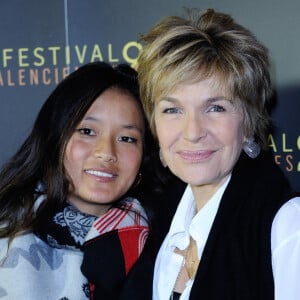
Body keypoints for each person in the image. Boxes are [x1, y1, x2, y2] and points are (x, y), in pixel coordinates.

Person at [137, 8, 300, 300]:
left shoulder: (289, 226)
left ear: (248, 121)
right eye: (172, 110)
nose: (193, 131)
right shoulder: (159, 218)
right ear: (154, 124)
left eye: (215, 108)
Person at [0, 61, 154, 300]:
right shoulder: (6, 231)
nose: (106, 152)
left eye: (127, 138)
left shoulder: (167, 243)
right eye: (87, 132)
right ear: (55, 137)